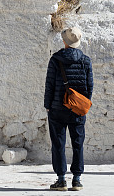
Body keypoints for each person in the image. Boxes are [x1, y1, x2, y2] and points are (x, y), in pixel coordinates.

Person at [44, 27, 93, 191]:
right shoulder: (85, 60)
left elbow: (49, 84)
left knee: (58, 144)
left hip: (57, 108)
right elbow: (89, 86)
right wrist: (84, 103)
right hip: (77, 110)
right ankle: (77, 180)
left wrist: (47, 105)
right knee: (78, 143)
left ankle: (61, 180)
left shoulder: (55, 59)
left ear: (64, 42)